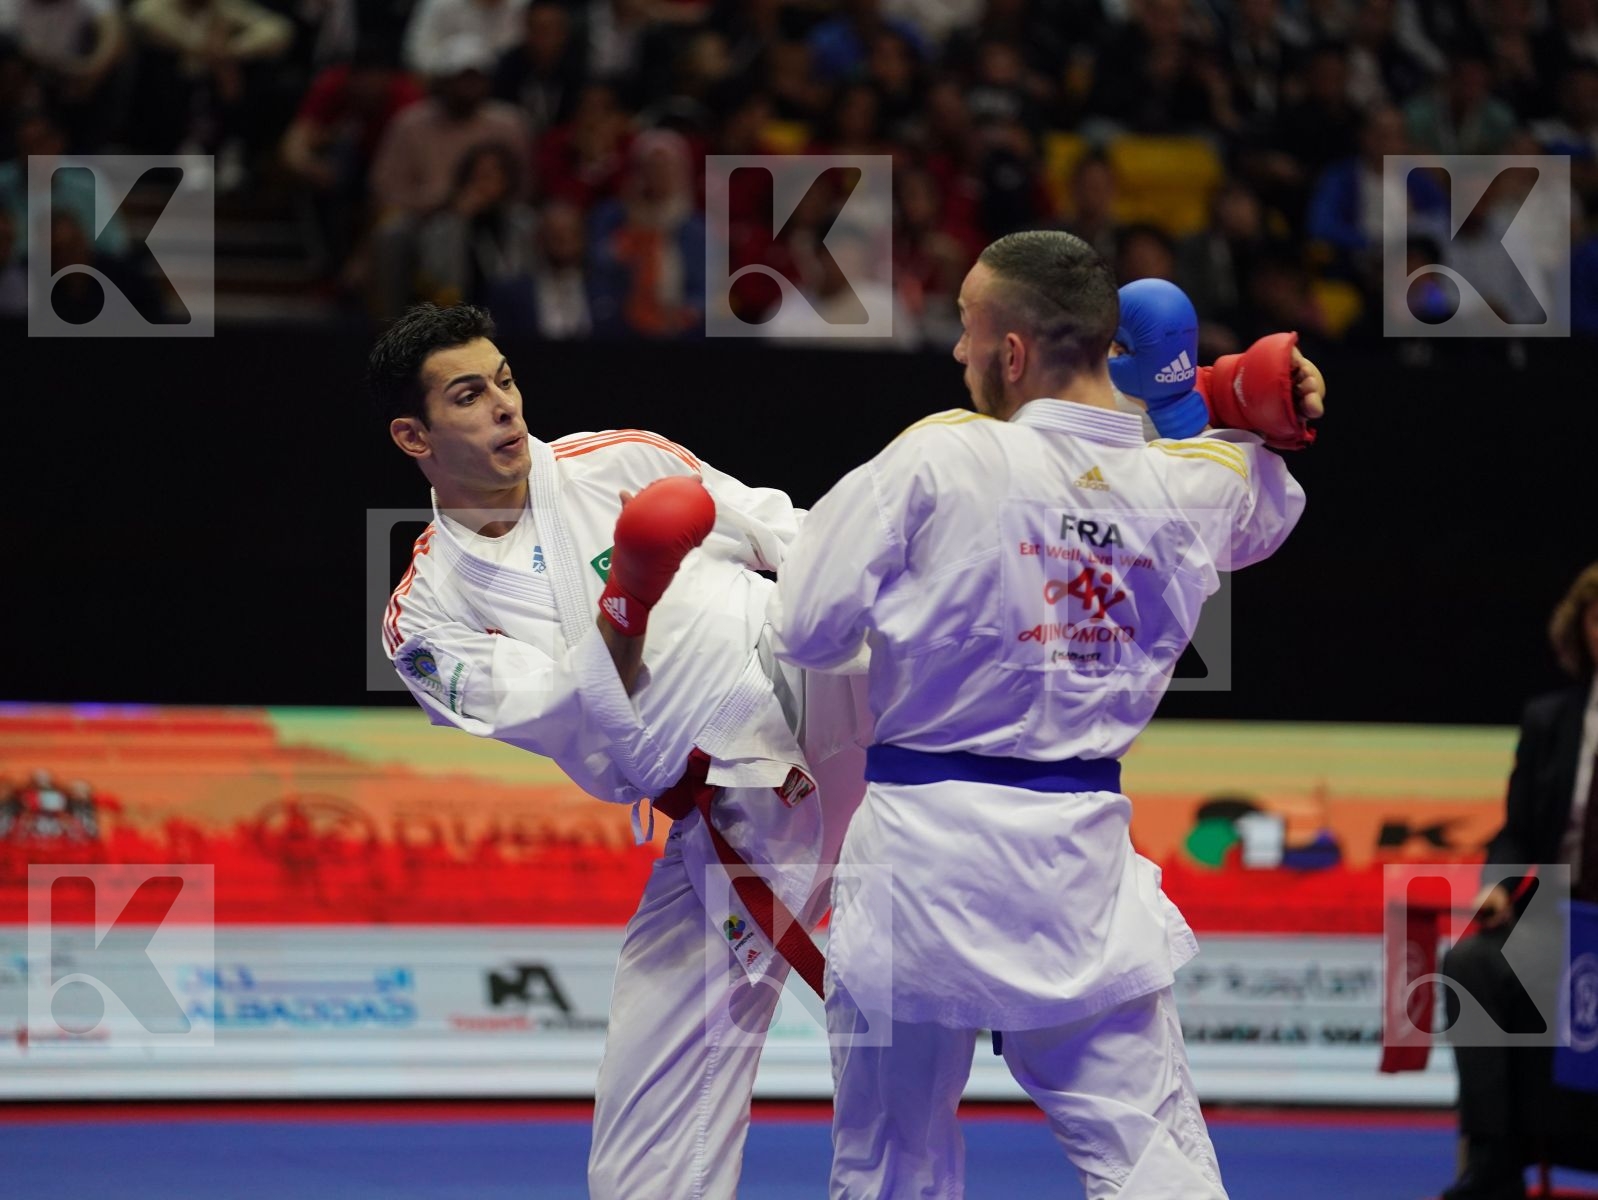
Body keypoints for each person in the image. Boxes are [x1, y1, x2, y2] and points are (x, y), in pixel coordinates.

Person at [772, 232, 1321, 1199]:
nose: (958, 351)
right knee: (1149, 1159)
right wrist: (1211, 397)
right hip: (1079, 867)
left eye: (967, 329)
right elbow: (1265, 501)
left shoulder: (940, 456)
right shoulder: (1185, 484)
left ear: (1014, 352)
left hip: (919, 863)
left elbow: (807, 630)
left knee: (891, 1165)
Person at [367, 302, 873, 1199]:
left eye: (506, 380)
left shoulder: (619, 460)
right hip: (725, 804)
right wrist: (627, 600)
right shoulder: (426, 618)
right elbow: (581, 711)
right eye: (469, 395)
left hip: (821, 685)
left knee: (902, 573)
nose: (505, 406)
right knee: (643, 1149)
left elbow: (780, 532)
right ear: (414, 435)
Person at [1437, 561, 1598, 1200]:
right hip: (1560, 916)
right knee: (1472, 964)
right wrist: (1498, 883)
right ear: (1581, 629)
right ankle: (1495, 1160)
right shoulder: (1550, 721)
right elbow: (1517, 832)